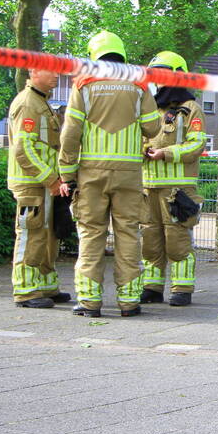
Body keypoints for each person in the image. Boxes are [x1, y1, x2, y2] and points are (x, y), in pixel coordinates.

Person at [58, 31, 161, 317]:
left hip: (91, 173)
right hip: (129, 174)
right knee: (128, 233)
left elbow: (70, 133)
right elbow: (153, 128)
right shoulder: (139, 83)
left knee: (91, 234)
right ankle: (129, 301)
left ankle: (90, 302)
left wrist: (67, 173)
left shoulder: (84, 83)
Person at [139, 51, 208, 307]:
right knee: (150, 241)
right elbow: (139, 137)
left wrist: (165, 154)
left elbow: (197, 145)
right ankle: (152, 287)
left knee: (178, 241)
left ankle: (182, 289)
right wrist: (142, 149)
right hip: (149, 188)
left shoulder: (190, 109)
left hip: (177, 190)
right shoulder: (150, 108)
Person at [7, 67, 71, 308]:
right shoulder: (28, 104)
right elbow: (24, 149)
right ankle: (26, 291)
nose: (56, 75)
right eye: (50, 71)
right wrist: (51, 179)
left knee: (47, 235)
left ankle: (44, 286)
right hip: (32, 184)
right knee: (31, 235)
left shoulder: (39, 102)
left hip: (42, 184)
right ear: (34, 72)